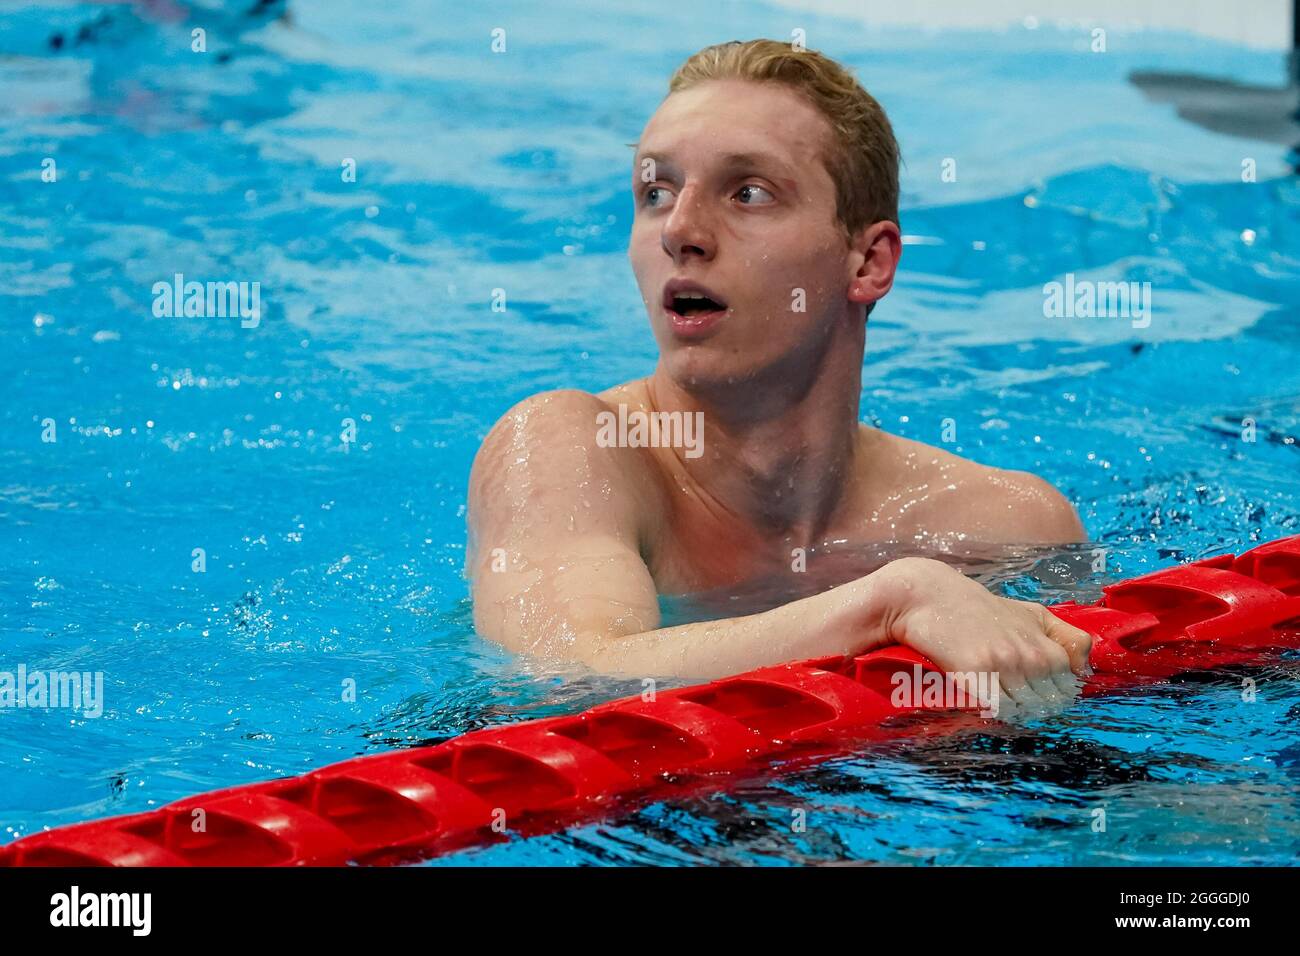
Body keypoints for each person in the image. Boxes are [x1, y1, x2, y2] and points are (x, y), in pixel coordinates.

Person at [467, 39, 1091, 716]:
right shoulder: (573, 449)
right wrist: (894, 601)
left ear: (867, 263)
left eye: (749, 192)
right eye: (656, 192)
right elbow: (563, 677)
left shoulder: (1006, 528)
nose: (681, 231)